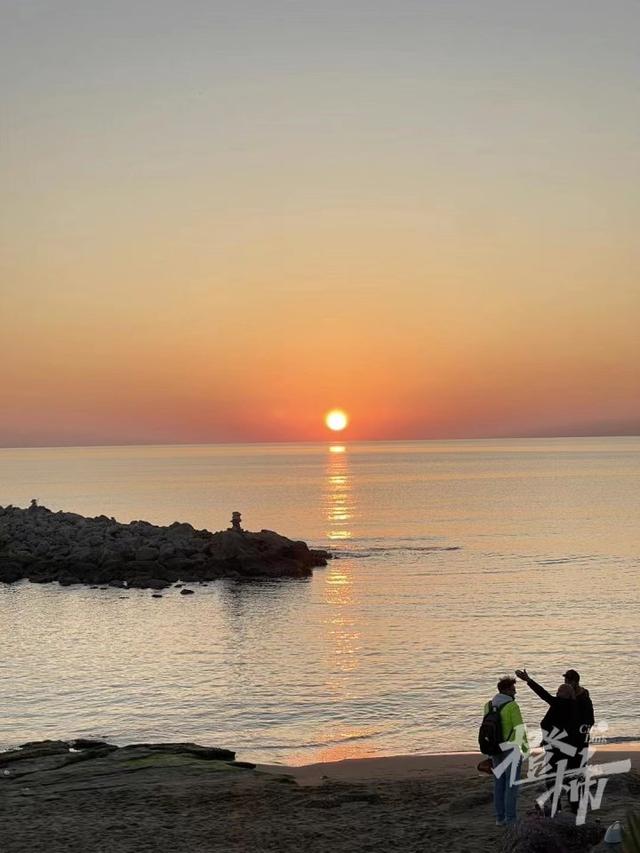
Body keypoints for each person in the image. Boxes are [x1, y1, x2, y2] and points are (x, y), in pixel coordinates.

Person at [515, 669, 581, 812]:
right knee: (570, 778)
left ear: (565, 695)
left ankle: (557, 808)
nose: (557, 693)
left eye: (559, 691)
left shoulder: (559, 703)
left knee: (553, 779)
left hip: (556, 749)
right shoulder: (573, 707)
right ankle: (574, 808)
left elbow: (543, 694)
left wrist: (529, 680)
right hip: (569, 748)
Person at [483, 676, 529, 827]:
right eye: (513, 690)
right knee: (511, 785)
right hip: (511, 749)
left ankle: (499, 818)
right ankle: (511, 818)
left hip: (495, 748)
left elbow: (486, 730)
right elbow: (519, 728)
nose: (515, 693)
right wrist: (526, 750)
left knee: (499, 784)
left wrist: (488, 754)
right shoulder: (512, 706)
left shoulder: (488, 706)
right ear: (507, 690)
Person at [563, 669, 595, 750]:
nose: (566, 683)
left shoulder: (584, 697)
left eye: (569, 681)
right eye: (565, 680)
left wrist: (583, 733)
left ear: (575, 682)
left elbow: (590, 719)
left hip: (580, 736)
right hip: (568, 735)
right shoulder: (566, 694)